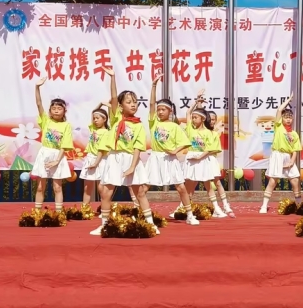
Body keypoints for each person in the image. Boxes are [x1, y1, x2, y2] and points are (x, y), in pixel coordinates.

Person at [93, 67, 151, 235]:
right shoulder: (116, 118)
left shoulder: (138, 125)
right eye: (128, 102)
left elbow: (138, 148)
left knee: (140, 192)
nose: (133, 104)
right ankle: (104, 225)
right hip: (114, 158)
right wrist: (112, 77)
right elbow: (113, 97)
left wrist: (132, 167)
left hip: (131, 159)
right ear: (120, 106)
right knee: (106, 192)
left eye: (135, 102)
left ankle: (150, 224)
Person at [145, 77, 199, 225]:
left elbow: (185, 142)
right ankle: (140, 213)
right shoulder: (154, 122)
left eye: (163, 109)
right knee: (144, 187)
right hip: (155, 158)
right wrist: (154, 85)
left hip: (170, 159)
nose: (160, 112)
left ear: (170, 111)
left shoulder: (175, 126)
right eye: (159, 110)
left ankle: (189, 215)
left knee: (181, 187)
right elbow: (151, 104)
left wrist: (175, 150)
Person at [32, 76, 74, 213]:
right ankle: (37, 213)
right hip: (45, 153)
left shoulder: (66, 125)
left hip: (58, 155)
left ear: (64, 111)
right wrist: (37, 87)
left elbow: (64, 145)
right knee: (40, 187)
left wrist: (57, 160)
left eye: (59, 108)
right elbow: (39, 104)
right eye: (53, 108)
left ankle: (59, 214)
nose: (56, 110)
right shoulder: (46, 121)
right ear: (50, 111)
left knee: (57, 187)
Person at [185, 93, 226, 217]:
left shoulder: (208, 132)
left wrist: (199, 157)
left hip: (202, 158)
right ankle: (183, 209)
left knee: (208, 184)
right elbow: (188, 113)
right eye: (192, 118)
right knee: (189, 186)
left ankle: (217, 208)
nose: (193, 119)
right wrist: (196, 101)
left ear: (202, 119)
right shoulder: (190, 129)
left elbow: (209, 149)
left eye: (195, 117)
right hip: (192, 159)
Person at [260, 96, 302, 214]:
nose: (288, 119)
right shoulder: (278, 127)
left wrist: (292, 161)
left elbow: (295, 149)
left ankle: (299, 205)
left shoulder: (294, 134)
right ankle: (264, 205)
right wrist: (288, 100)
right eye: (286, 117)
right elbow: (279, 110)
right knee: (273, 181)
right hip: (277, 155)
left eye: (290, 117)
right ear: (282, 118)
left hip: (288, 157)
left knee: (295, 181)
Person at [81, 103, 114, 206]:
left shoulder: (106, 132)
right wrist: (100, 104)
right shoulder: (94, 129)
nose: (95, 120)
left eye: (97, 118)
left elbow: (101, 150)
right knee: (87, 187)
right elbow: (93, 113)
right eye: (94, 118)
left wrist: (95, 163)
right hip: (90, 158)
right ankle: (85, 209)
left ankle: (105, 208)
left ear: (104, 119)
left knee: (101, 187)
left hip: (100, 160)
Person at [206, 110, 235, 217]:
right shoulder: (201, 132)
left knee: (217, 183)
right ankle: (216, 208)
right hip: (200, 160)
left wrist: (205, 153)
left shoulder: (215, 133)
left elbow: (215, 149)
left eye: (213, 119)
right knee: (206, 184)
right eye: (209, 119)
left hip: (210, 159)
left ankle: (225, 205)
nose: (211, 121)